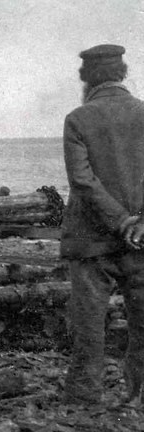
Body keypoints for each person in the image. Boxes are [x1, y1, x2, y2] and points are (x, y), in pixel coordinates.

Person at [60, 44, 144, 405]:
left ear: (86, 78)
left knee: (90, 325)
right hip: (141, 240)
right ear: (122, 72)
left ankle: (85, 398)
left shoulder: (78, 119)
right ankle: (139, 398)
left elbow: (82, 181)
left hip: (92, 240)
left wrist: (120, 219)